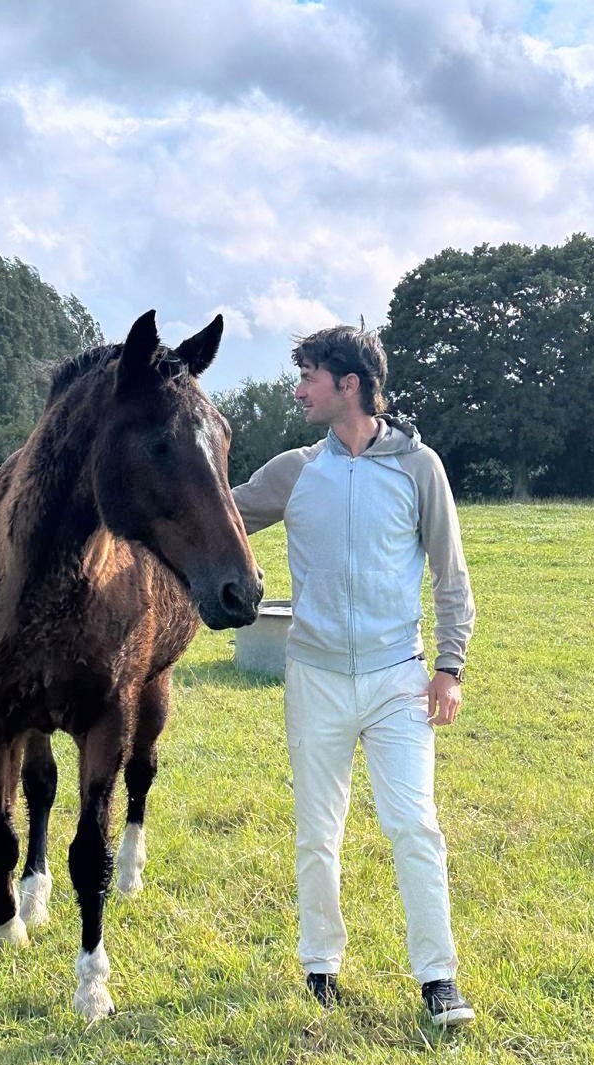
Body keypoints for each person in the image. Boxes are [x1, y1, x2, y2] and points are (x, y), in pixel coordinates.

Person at [231, 322, 476, 1025]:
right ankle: (320, 968)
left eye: (308, 376)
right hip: (315, 679)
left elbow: (451, 576)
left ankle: (439, 981)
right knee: (318, 831)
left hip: (399, 678)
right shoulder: (294, 471)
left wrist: (450, 667)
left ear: (349, 384)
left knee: (415, 826)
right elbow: (213, 517)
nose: (298, 390)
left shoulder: (418, 467)